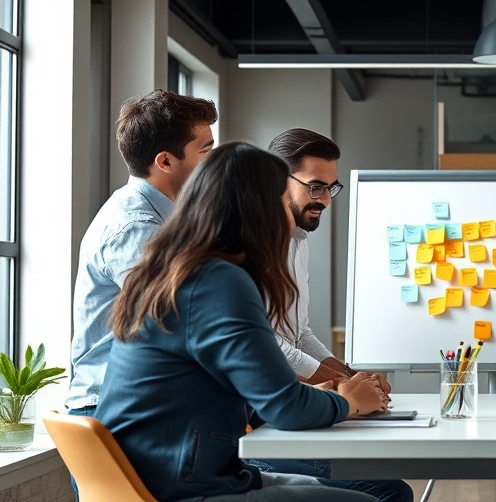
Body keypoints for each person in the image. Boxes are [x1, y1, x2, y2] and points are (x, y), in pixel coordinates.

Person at [97, 142, 389, 502]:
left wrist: (316, 394)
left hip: (165, 472)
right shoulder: (217, 282)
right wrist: (349, 402)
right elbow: (285, 409)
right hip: (184, 485)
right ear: (259, 212)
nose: (288, 216)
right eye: (284, 203)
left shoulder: (174, 270)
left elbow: (262, 393)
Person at [249, 128, 411, 502]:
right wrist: (347, 389)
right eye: (315, 186)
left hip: (275, 412)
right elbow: (266, 342)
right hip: (256, 423)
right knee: (386, 490)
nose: (325, 199)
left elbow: (298, 333)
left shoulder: (298, 244)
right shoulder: (250, 247)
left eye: (331, 188)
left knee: (384, 480)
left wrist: (352, 377)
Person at [67, 89, 217, 418]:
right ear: (165, 161)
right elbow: (179, 322)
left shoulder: (161, 219)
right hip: (115, 411)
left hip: (133, 406)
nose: (215, 164)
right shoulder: (138, 228)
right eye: (206, 152)